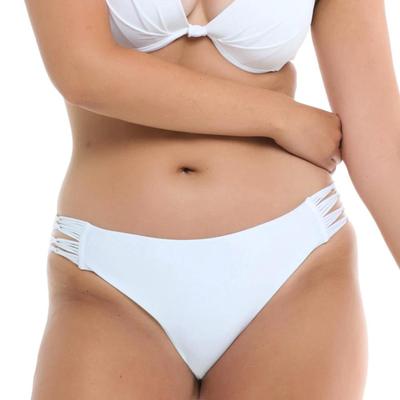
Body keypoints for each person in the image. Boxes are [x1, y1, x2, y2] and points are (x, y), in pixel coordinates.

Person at [25, 0, 399, 399]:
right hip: (108, 281)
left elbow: (380, 139)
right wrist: (279, 116)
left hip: (293, 267)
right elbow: (82, 69)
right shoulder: (282, 118)